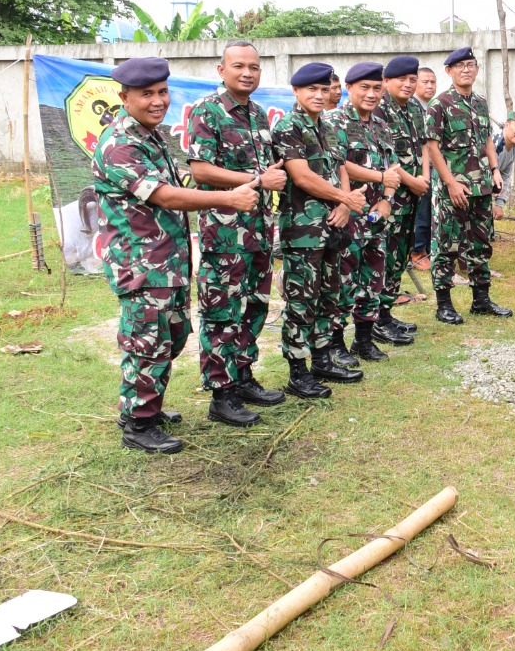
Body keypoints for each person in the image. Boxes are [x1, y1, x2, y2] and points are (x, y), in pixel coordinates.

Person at [92, 56, 260, 454]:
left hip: (165, 261)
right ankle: (138, 423)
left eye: (162, 92)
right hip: (141, 263)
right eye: (146, 94)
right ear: (124, 97)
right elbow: (165, 195)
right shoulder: (121, 144)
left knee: (171, 335)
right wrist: (228, 197)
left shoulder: (148, 134)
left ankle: (145, 407)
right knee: (147, 341)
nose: (157, 101)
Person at [185, 40, 288, 429]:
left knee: (256, 304)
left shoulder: (258, 114)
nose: (247, 72)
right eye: (239, 65)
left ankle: (243, 376)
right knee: (221, 310)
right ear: (221, 69)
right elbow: (201, 170)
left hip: (260, 228)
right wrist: (256, 179)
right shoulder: (207, 111)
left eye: (254, 67)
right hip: (225, 232)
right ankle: (221, 393)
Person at [272, 62, 367, 394]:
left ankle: (323, 358)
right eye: (310, 89)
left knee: (330, 294)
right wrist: (345, 197)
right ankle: (298, 371)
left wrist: (343, 204)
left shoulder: (327, 127)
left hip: (333, 225)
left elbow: (340, 167)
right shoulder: (289, 127)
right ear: (296, 92)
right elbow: (301, 176)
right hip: (302, 229)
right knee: (302, 299)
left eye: (323, 89)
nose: (318, 94)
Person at [425, 46, 510, 323]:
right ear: (449, 71)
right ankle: (444, 304)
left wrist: (496, 170)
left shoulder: (481, 103)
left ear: (476, 69)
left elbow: (487, 140)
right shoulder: (440, 104)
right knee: (446, 245)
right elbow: (432, 147)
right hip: (454, 189)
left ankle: (481, 300)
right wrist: (449, 183)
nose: (466, 69)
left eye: (470, 65)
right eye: (459, 65)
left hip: (481, 186)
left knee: (480, 243)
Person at [329, 61, 406, 361]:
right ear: (349, 88)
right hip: (349, 212)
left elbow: (393, 167)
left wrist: (387, 198)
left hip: (377, 216)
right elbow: (340, 164)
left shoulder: (382, 126)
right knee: (343, 281)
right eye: (365, 88)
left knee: (373, 278)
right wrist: (379, 179)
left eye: (377, 88)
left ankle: (364, 339)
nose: (372, 94)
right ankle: (335, 343)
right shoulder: (335, 122)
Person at [374, 56, 430, 341]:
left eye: (412, 80)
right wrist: (414, 181)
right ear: (387, 81)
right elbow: (386, 157)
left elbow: (424, 146)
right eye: (402, 80)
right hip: (391, 194)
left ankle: (387, 313)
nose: (408, 85)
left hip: (414, 194)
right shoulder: (379, 109)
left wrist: (425, 177)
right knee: (385, 255)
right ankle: (375, 319)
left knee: (401, 254)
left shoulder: (416, 110)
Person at [410, 66, 438, 270]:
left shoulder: (433, 107)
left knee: (431, 211)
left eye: (433, 82)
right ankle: (418, 251)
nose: (429, 86)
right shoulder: (412, 107)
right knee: (422, 211)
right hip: (418, 169)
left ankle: (427, 249)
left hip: (434, 167)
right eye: (425, 82)